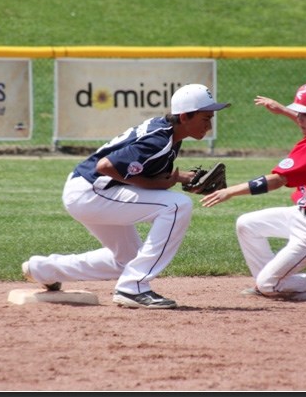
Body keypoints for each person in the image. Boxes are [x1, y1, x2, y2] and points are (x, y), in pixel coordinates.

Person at [22, 84, 230, 309]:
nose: (209, 125)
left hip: (89, 189)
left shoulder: (167, 134)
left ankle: (43, 269)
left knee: (128, 260)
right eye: (205, 118)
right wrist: (159, 184)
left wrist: (183, 178)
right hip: (93, 192)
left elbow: (140, 168)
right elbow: (106, 166)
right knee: (177, 206)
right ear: (185, 116)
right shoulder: (158, 140)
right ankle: (134, 287)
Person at [201, 82, 306, 301]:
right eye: (299, 112)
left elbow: (276, 180)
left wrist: (230, 191)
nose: (299, 117)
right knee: (247, 224)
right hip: (300, 215)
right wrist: (283, 110)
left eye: (304, 114)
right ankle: (269, 283)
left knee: (270, 284)